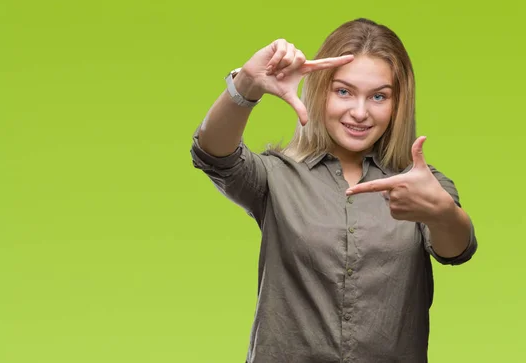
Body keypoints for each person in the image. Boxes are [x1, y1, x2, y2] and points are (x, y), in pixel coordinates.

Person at [189, 18, 477, 363]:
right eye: (344, 91)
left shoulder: (419, 183)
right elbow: (212, 153)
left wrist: (442, 213)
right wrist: (247, 84)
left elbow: (457, 249)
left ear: (397, 104)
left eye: (379, 96)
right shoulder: (276, 177)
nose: (359, 112)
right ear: (320, 90)